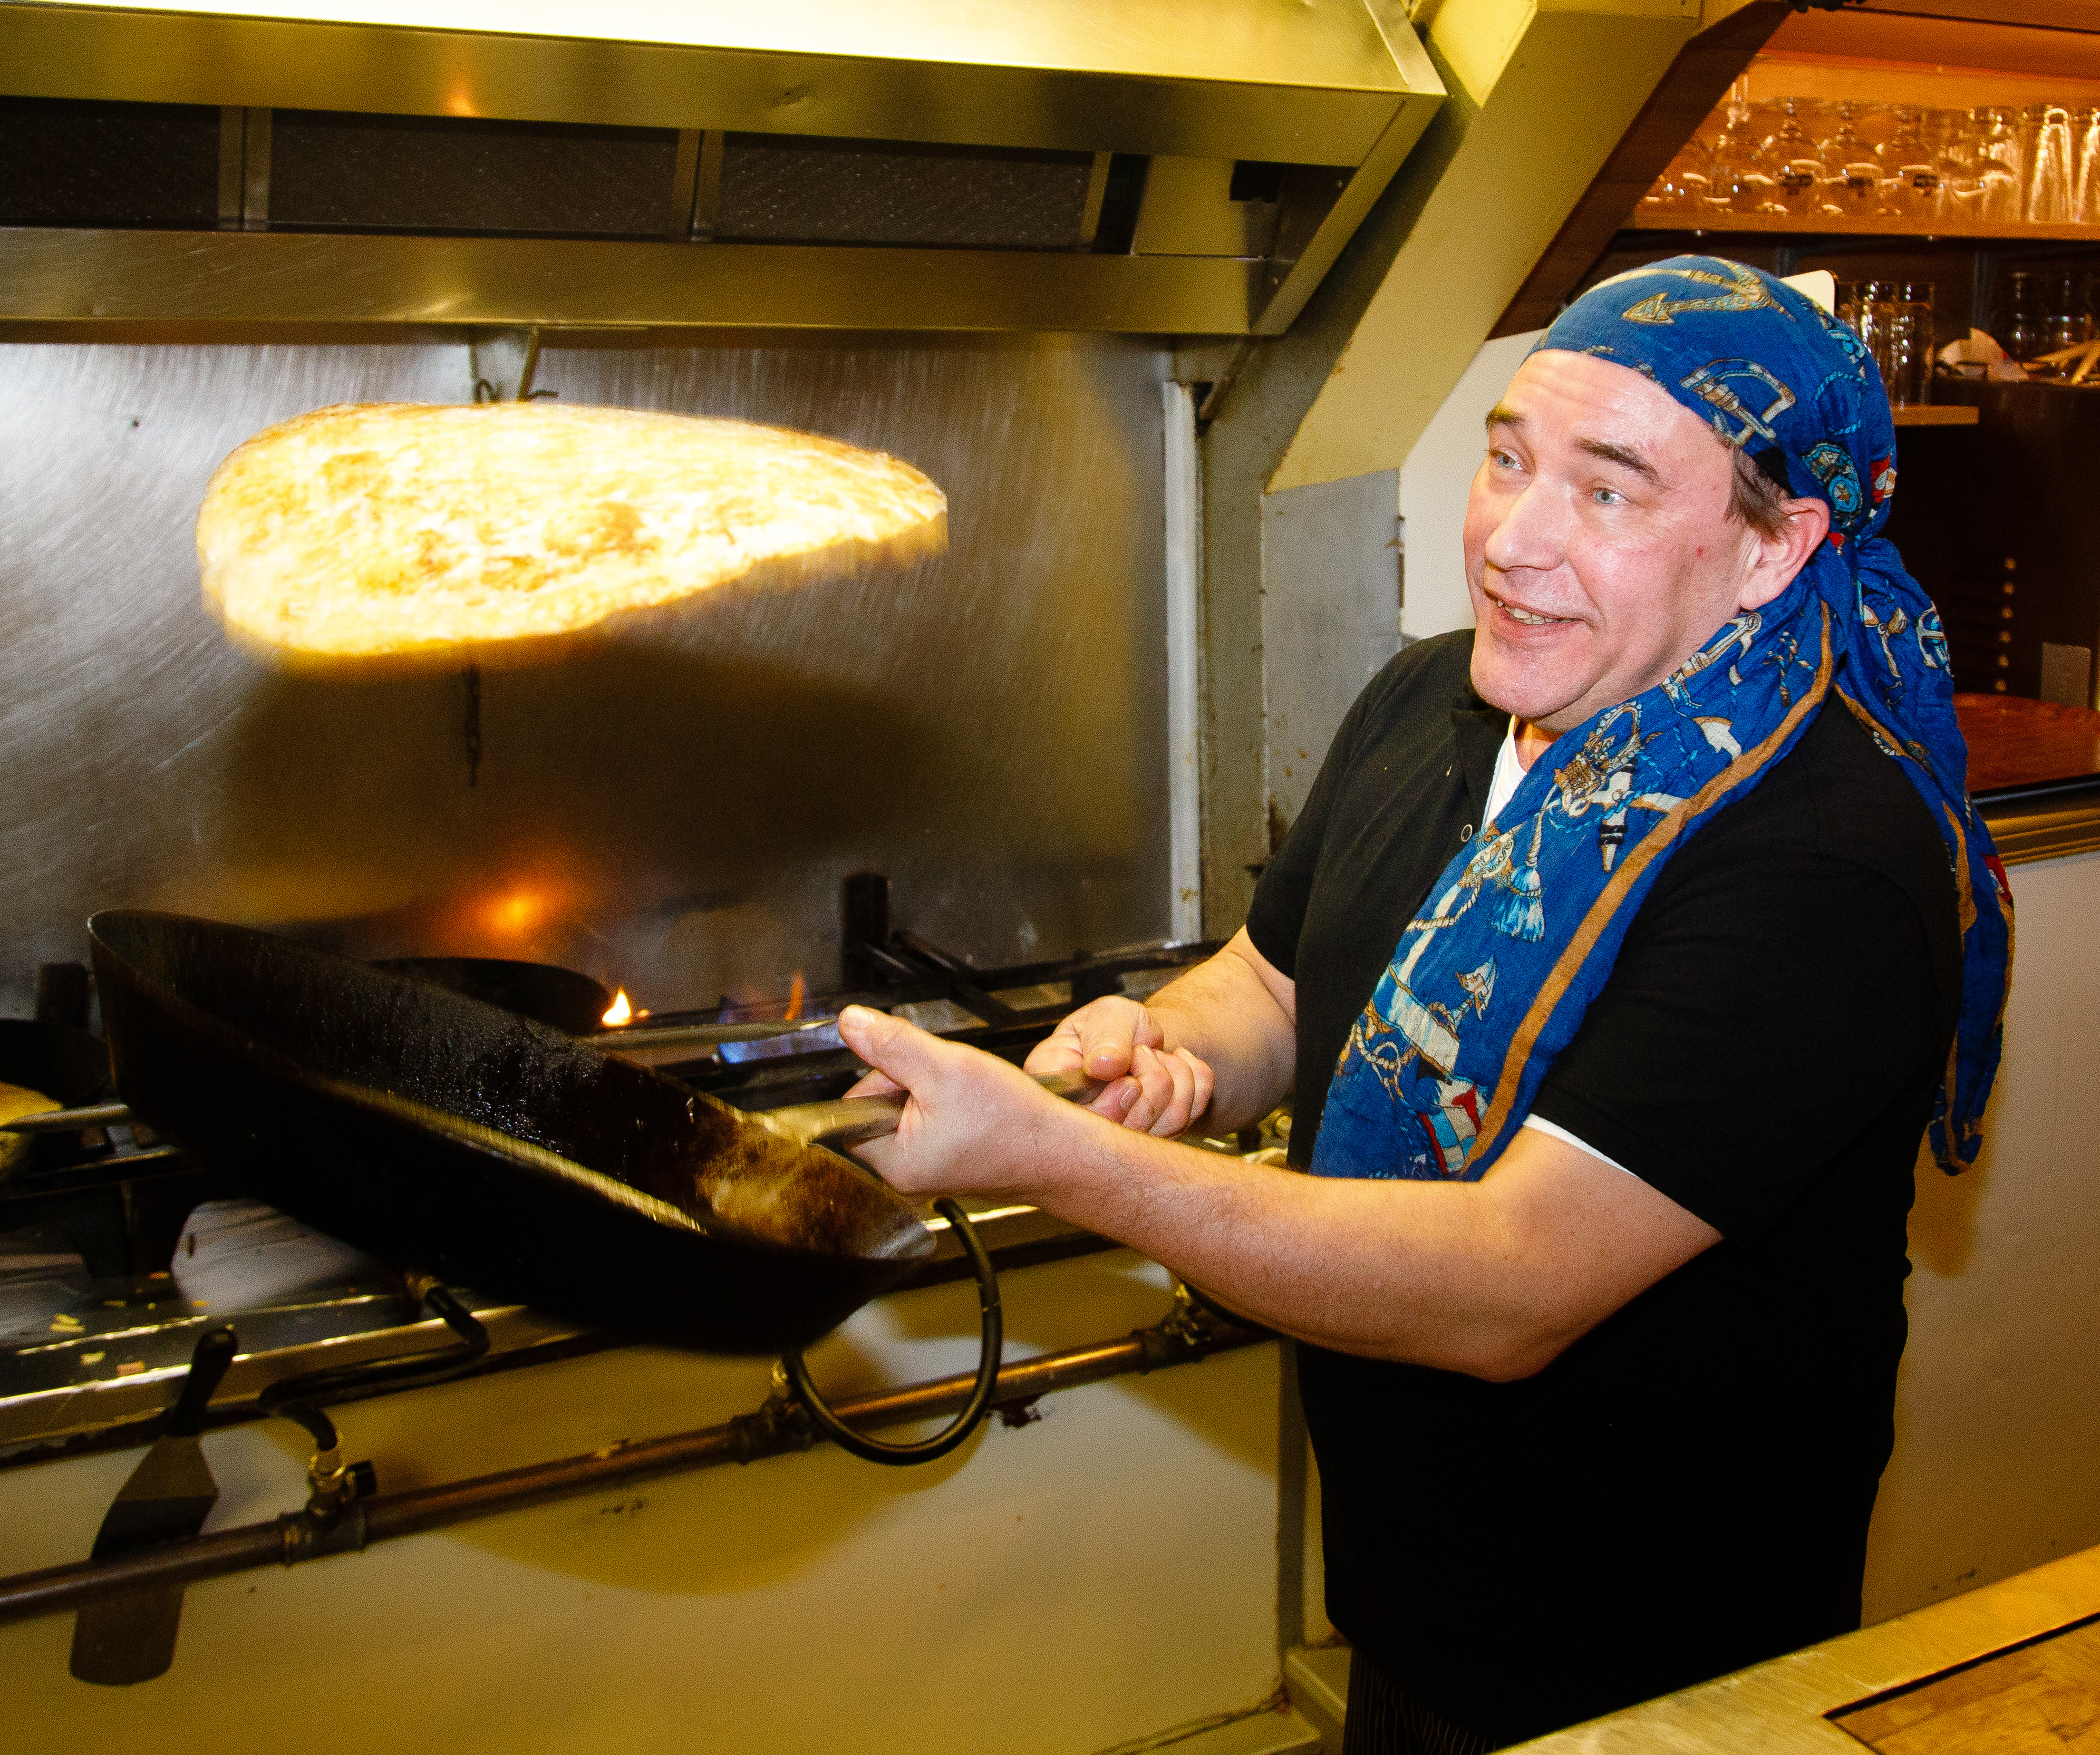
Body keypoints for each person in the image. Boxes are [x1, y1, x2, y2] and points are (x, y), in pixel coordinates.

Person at [831, 257, 2013, 1752]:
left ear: (1775, 549)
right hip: (1412, 1612)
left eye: (1607, 492)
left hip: (1662, 1673)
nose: (1511, 539)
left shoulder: (1817, 857)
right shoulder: (1433, 701)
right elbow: (1270, 975)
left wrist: (1062, 1159)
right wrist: (1171, 1051)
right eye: (1506, 457)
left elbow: (1509, 1284)